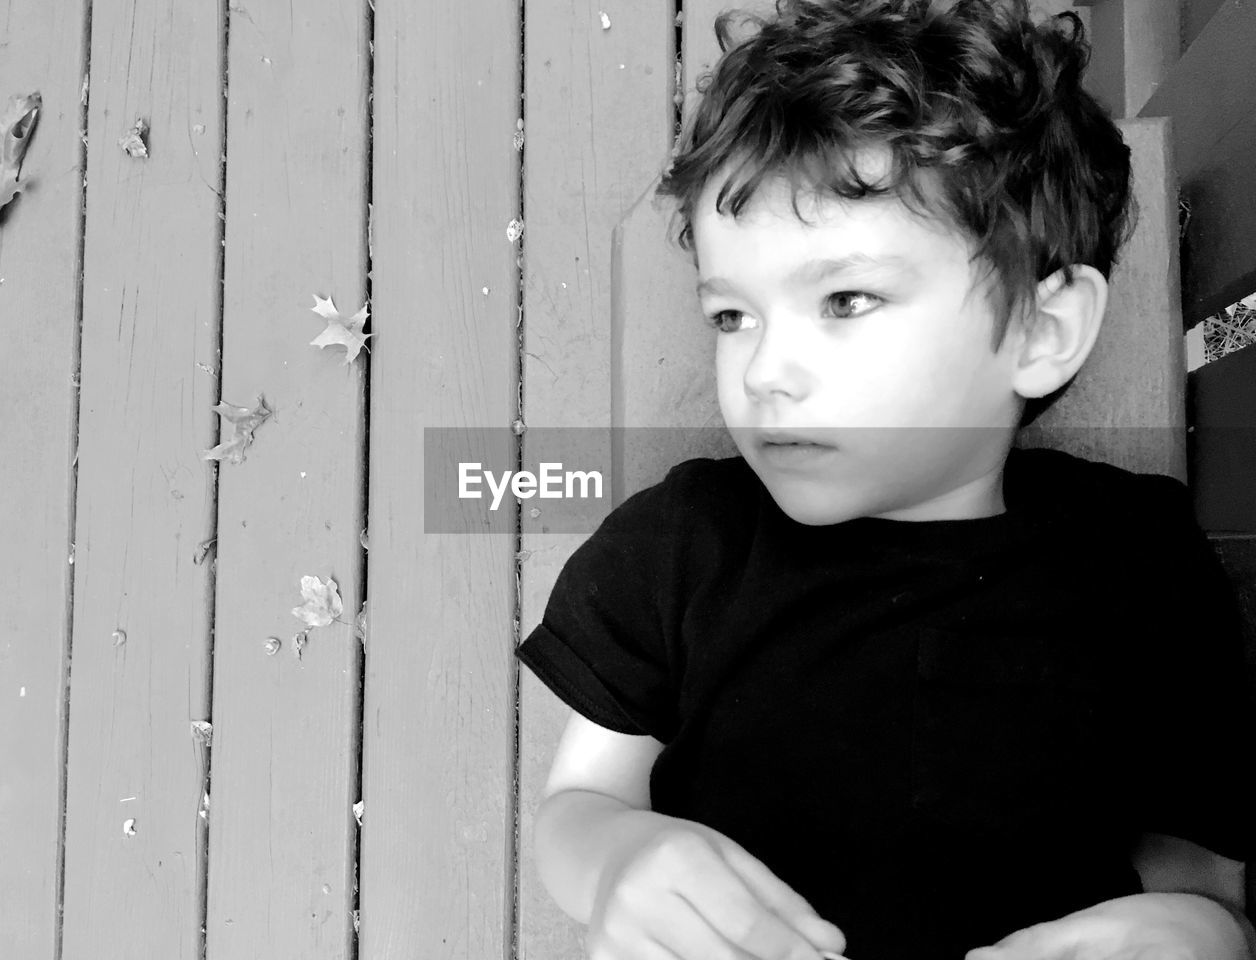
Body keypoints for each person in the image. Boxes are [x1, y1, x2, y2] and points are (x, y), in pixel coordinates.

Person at [515, 1, 1256, 957]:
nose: (765, 370)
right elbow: (578, 803)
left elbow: (1202, 868)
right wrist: (619, 858)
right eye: (732, 317)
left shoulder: (1138, 560)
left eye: (846, 299)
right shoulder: (681, 545)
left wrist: (1193, 931)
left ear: (1040, 329)